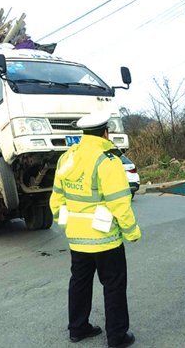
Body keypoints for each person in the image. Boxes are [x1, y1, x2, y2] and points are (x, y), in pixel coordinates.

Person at [50, 112, 141, 348]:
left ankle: (78, 328)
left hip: (77, 237)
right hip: (105, 238)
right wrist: (132, 232)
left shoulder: (67, 158)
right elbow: (119, 201)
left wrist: (65, 221)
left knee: (79, 281)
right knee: (113, 285)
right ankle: (117, 337)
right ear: (105, 133)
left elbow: (57, 198)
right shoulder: (107, 159)